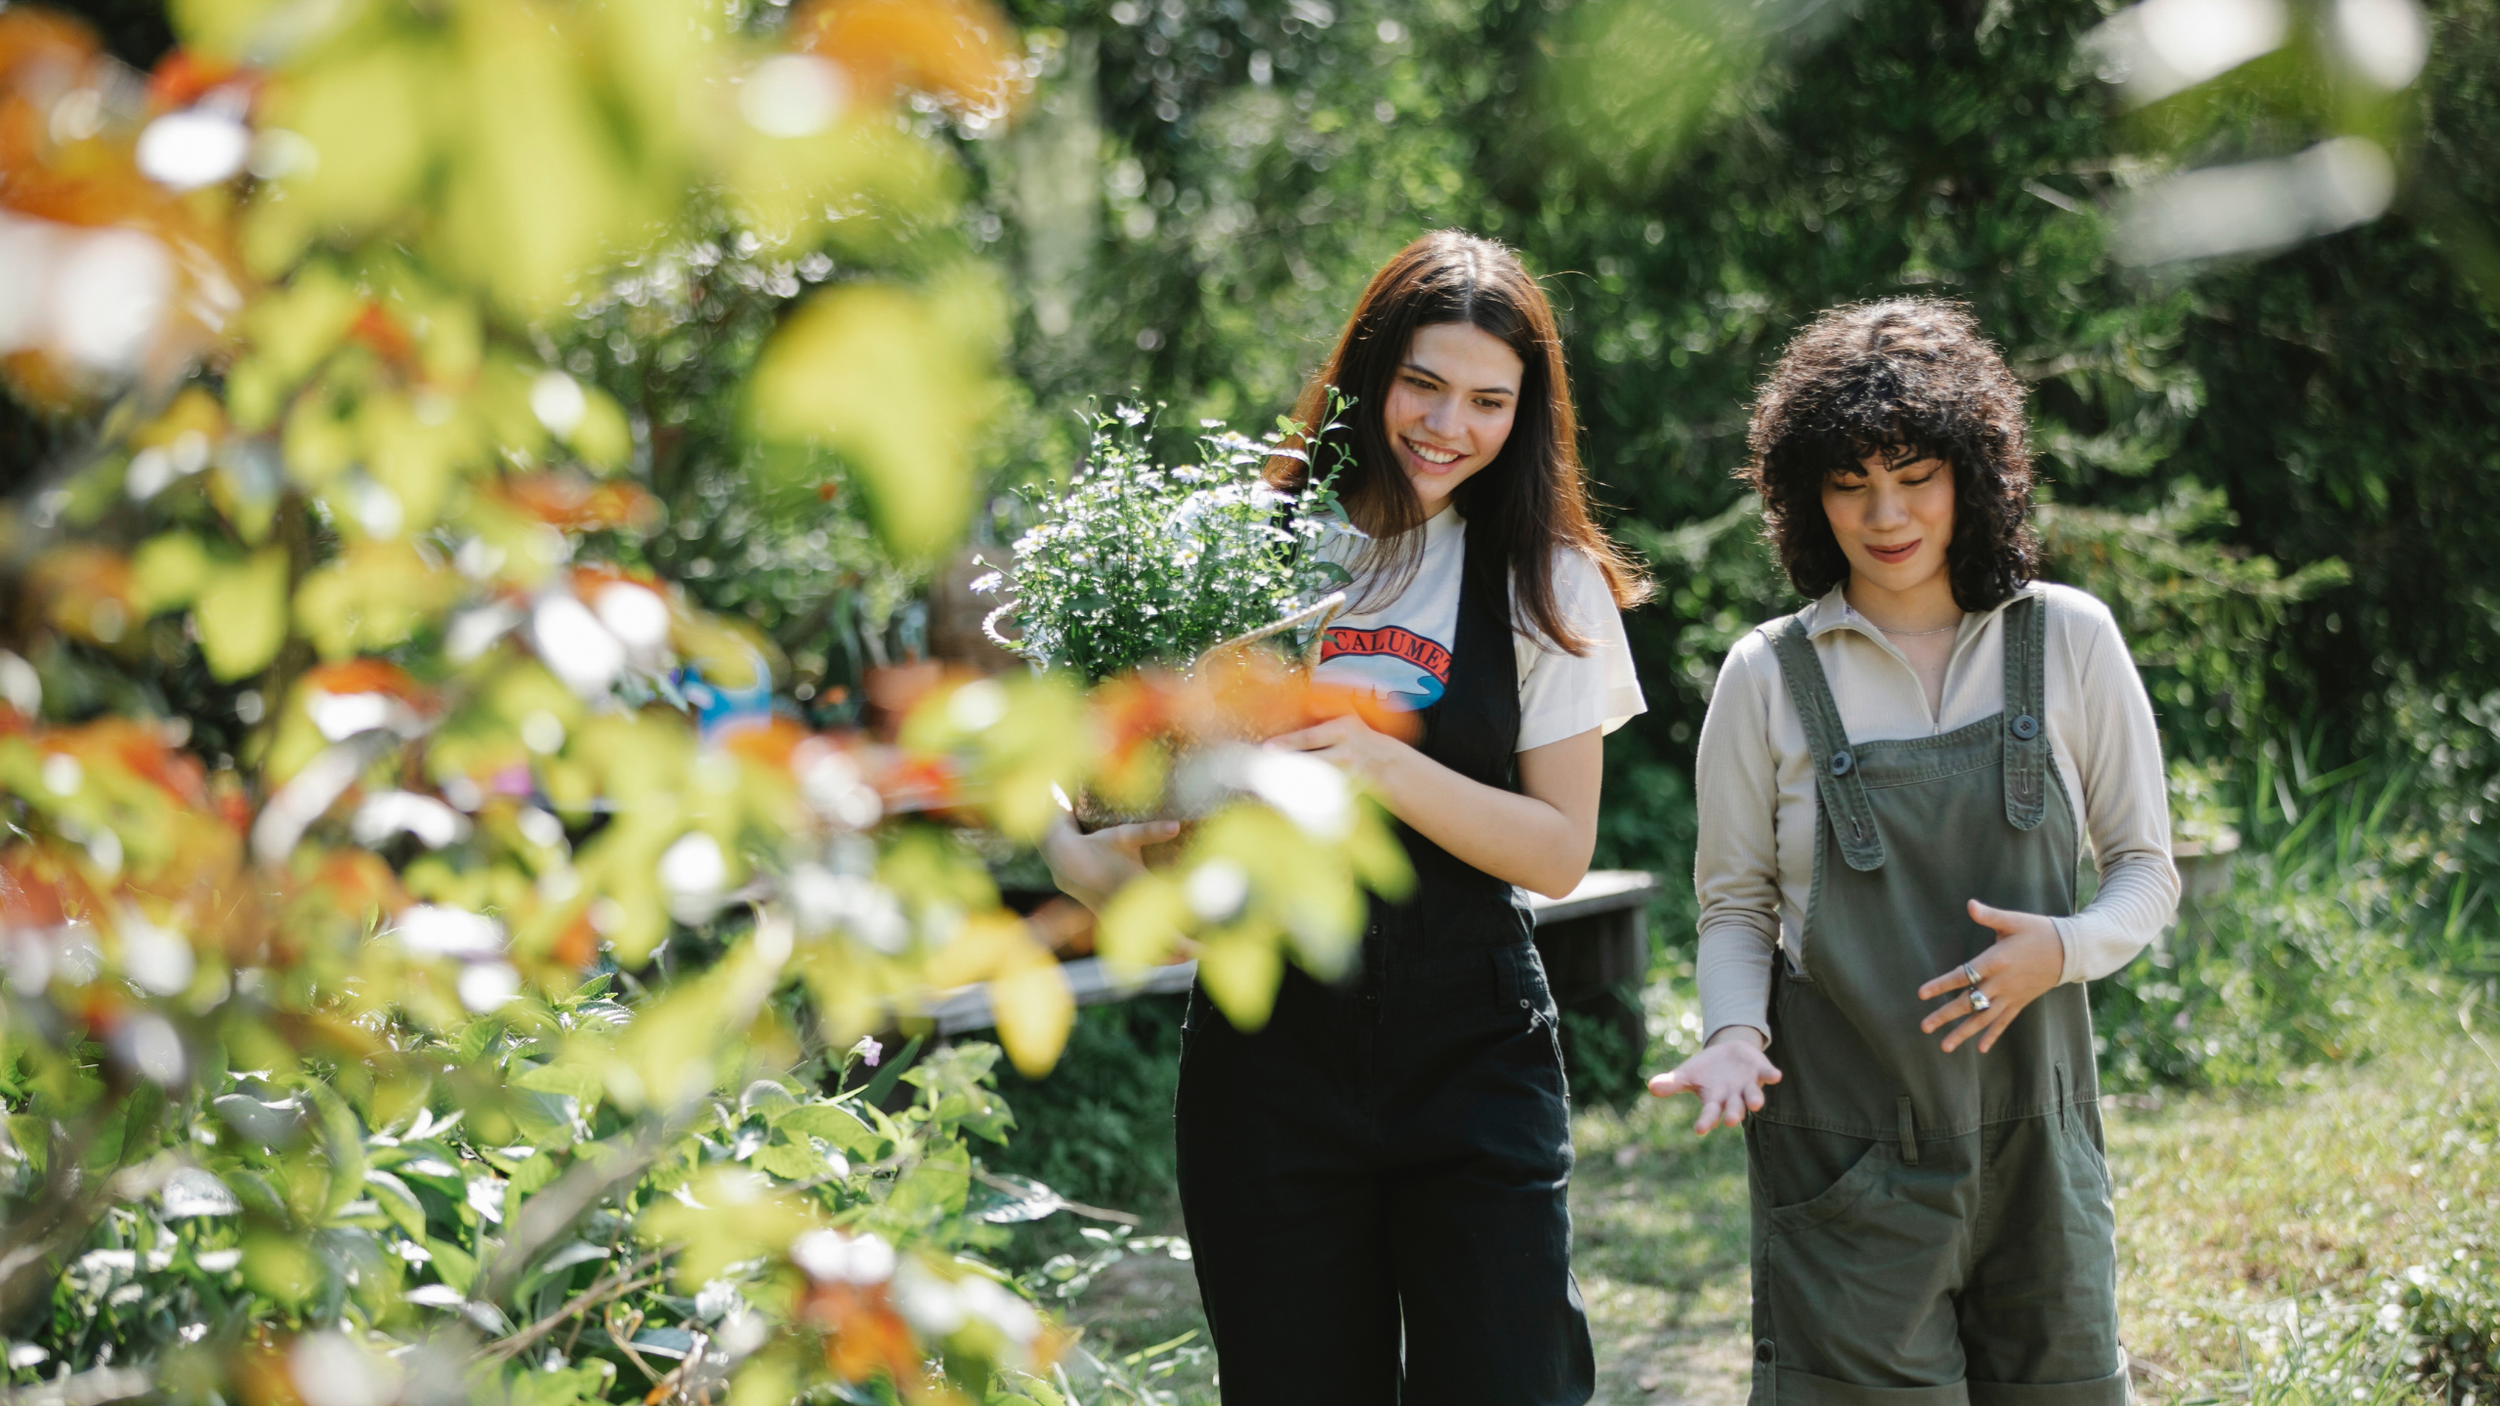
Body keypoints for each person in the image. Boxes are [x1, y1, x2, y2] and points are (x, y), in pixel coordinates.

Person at [1042, 229, 1649, 1404]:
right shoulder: (1236, 556)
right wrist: (1081, 859)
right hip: (1266, 1055)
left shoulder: (1547, 580)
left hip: (1472, 1043)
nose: (1446, 423)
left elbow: (1557, 851)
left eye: (1488, 399)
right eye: (1422, 382)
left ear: (1526, 414)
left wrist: (1380, 763)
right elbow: (1100, 802)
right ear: (1368, 372)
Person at [1647, 299, 2179, 1406]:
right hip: (1848, 1165)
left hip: (2040, 1148)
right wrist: (1734, 1034)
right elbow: (1736, 906)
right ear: (1805, 496)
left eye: (1914, 472)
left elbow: (2145, 870)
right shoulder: (1765, 674)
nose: (1884, 513)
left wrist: (2065, 948)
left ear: (1973, 472)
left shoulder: (2069, 636)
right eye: (1849, 482)